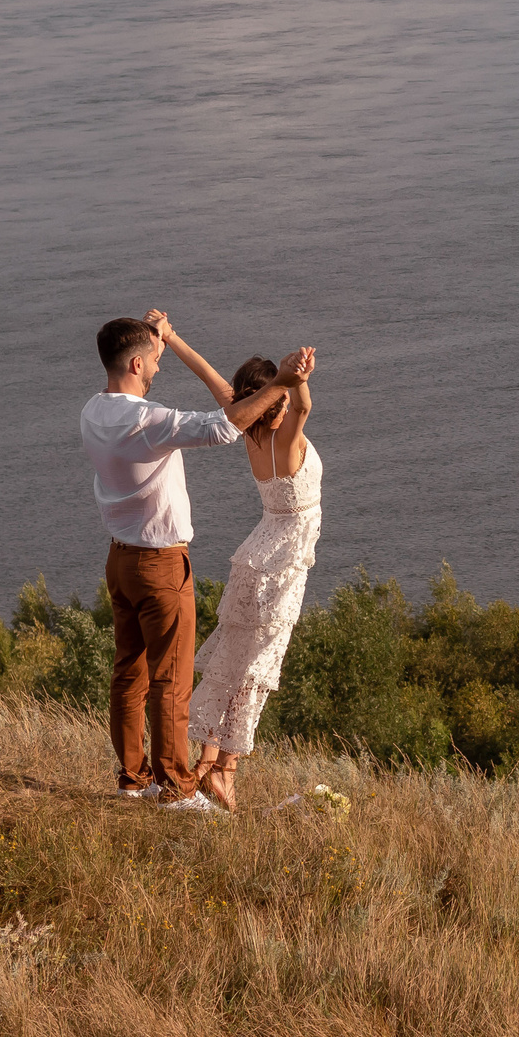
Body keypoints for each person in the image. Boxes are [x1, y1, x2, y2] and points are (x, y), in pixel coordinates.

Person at [80, 313, 300, 807]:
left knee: (128, 674)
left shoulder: (93, 412)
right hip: (159, 566)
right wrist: (283, 381)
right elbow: (224, 429)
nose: (158, 367)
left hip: (119, 561)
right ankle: (176, 789)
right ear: (136, 363)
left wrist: (166, 339)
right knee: (171, 681)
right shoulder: (147, 422)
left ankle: (133, 780)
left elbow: (197, 403)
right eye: (154, 361)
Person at [175, 345, 321, 812]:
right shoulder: (286, 437)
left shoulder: (246, 428)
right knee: (255, 671)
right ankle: (225, 775)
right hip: (283, 568)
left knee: (233, 664)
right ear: (275, 400)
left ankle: (205, 765)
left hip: (255, 554)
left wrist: (172, 336)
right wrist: (296, 377)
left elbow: (211, 378)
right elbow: (304, 406)